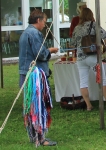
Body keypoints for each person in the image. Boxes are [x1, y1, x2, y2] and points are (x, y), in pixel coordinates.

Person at [19, 9, 58, 146]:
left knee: (32, 108)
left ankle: (34, 135)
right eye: (44, 22)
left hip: (26, 73)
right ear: (38, 20)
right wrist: (50, 51)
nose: (45, 25)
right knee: (38, 107)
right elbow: (40, 54)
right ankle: (40, 138)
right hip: (35, 76)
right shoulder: (34, 33)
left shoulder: (25, 33)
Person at [71, 8, 106, 111]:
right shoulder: (94, 25)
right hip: (93, 56)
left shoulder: (77, 28)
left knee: (83, 83)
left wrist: (74, 55)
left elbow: (73, 44)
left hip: (81, 58)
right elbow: (105, 36)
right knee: (102, 80)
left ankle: (88, 105)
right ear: (91, 15)